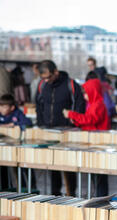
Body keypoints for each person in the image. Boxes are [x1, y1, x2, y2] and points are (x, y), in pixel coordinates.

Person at [36, 60, 86, 196]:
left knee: (68, 165)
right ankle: (55, 193)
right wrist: (41, 124)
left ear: (56, 72)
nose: (46, 80)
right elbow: (39, 105)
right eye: (43, 78)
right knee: (53, 165)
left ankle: (71, 194)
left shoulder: (71, 84)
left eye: (48, 77)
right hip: (48, 130)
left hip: (67, 131)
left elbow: (79, 105)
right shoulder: (42, 85)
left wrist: (72, 125)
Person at [63, 78, 110, 197]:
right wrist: (76, 121)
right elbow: (89, 122)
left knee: (99, 175)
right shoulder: (93, 104)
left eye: (85, 93)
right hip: (94, 142)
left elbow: (90, 119)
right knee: (96, 174)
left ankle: (101, 198)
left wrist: (71, 114)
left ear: (92, 92)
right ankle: (99, 197)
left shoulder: (98, 105)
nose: (84, 96)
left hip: (99, 144)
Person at [0, 93, 34, 190]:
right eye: (0, 106)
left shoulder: (17, 113)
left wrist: (14, 124)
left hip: (17, 148)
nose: (1, 109)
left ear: (12, 108)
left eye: (4, 107)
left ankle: (28, 187)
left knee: (22, 168)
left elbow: (28, 122)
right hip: (3, 150)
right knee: (3, 170)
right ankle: (4, 188)